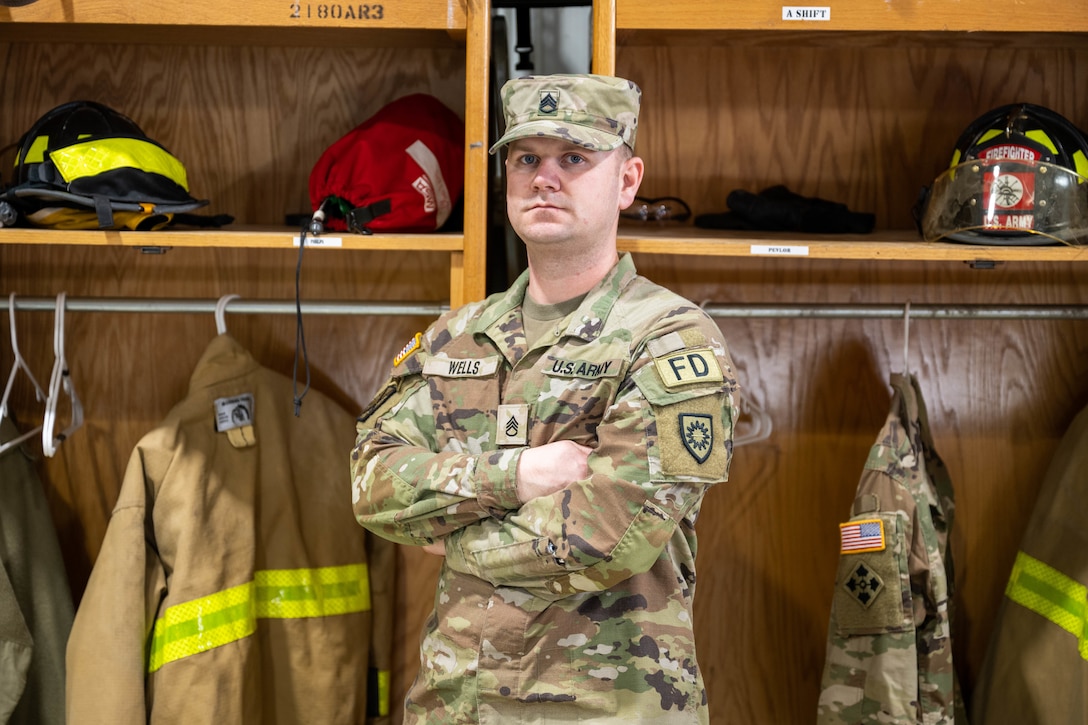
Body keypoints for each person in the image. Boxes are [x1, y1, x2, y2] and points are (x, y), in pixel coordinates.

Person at [351, 73, 740, 724]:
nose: (544, 177)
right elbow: (370, 481)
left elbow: (609, 538)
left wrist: (453, 535)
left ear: (627, 180)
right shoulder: (456, 336)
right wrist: (516, 476)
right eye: (526, 158)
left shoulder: (670, 340)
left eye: (574, 158)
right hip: (456, 704)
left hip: (606, 709)